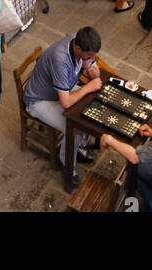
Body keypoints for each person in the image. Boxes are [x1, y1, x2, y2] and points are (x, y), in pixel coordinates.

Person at [23, 27, 102, 182]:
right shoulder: (61, 59)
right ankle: (67, 167)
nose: (92, 58)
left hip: (61, 88)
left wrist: (88, 63)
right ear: (78, 48)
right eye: (89, 55)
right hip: (38, 100)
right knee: (75, 128)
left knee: (93, 105)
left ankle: (77, 147)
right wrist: (88, 87)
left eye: (93, 56)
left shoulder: (80, 42)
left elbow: (96, 75)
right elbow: (65, 103)